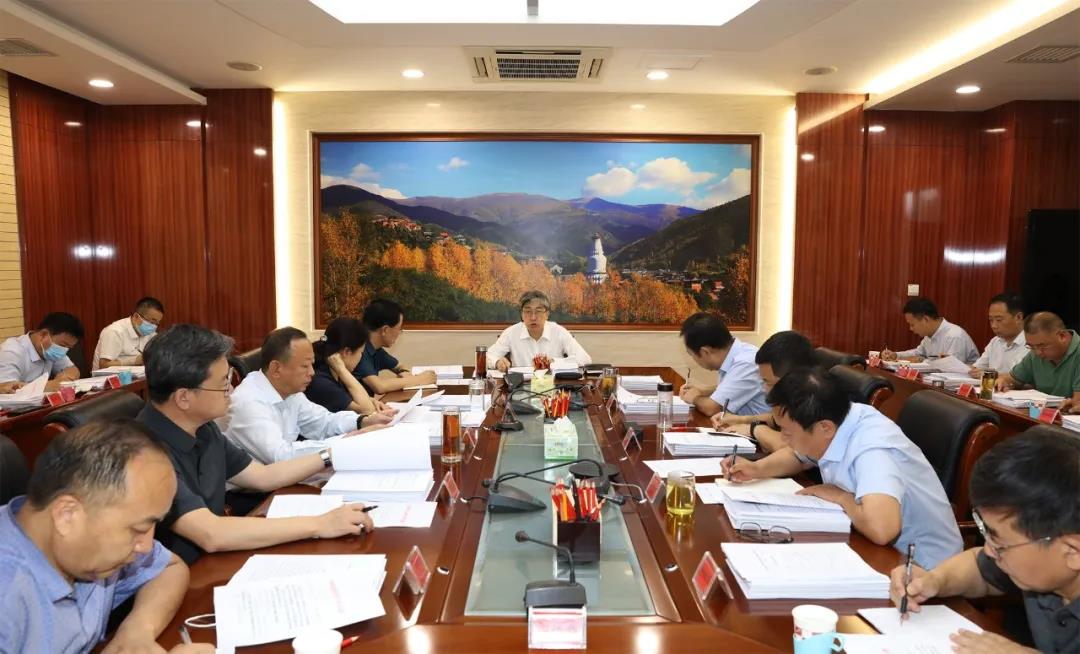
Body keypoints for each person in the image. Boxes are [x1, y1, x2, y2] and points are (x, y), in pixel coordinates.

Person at [137, 324, 375, 564]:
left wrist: (333, 453)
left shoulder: (203, 428)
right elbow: (211, 534)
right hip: (183, 571)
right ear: (183, 397)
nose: (231, 389)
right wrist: (321, 524)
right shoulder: (143, 453)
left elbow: (263, 476)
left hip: (213, 559)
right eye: (223, 383)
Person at [0, 420, 211, 654]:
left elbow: (170, 568)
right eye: (138, 529)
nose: (145, 546)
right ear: (67, 515)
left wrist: (137, 632)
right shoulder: (7, 595)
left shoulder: (87, 540)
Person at [725, 368, 962, 568]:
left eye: (787, 432)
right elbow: (798, 455)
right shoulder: (839, 418)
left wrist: (840, 496)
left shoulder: (872, 449)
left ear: (824, 428)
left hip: (924, 569)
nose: (784, 439)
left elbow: (882, 529)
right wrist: (756, 469)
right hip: (870, 543)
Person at [889, 431, 1079, 654]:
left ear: (1073, 551)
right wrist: (936, 580)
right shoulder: (1043, 565)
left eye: (1000, 543)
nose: (989, 550)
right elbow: (978, 568)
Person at [221, 326, 393, 465]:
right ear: (276, 368)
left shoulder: (290, 391)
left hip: (284, 479)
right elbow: (280, 457)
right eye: (305, 366)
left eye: (312, 365)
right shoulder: (249, 402)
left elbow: (323, 422)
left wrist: (363, 421)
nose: (312, 372)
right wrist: (346, 442)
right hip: (253, 492)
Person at [710, 329, 817, 452]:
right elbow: (774, 420)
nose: (765, 389)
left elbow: (795, 450)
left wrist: (755, 429)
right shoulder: (798, 396)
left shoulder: (818, 403)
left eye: (768, 382)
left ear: (792, 378)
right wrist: (739, 420)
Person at [677, 312, 768, 417]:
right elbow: (730, 387)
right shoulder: (735, 353)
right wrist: (702, 391)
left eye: (691, 354)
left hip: (760, 426)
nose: (693, 359)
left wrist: (694, 398)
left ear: (705, 352)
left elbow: (712, 409)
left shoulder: (746, 363)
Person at [487, 290, 592, 372]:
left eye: (538, 311)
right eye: (528, 311)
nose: (533, 317)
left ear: (547, 314)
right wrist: (497, 362)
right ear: (522, 314)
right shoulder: (511, 333)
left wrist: (555, 362)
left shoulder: (558, 332)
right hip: (519, 388)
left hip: (553, 387)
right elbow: (488, 356)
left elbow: (585, 359)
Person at [995, 312, 1080, 413]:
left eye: (1042, 346)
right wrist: (1004, 381)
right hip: (1040, 414)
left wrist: (1073, 404)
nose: (1037, 352)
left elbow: (1077, 402)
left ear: (1062, 336)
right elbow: (1013, 378)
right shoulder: (1035, 354)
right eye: (1031, 346)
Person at [306, 317, 391, 415]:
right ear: (347, 352)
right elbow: (367, 411)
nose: (361, 357)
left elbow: (348, 396)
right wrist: (342, 370)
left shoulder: (331, 369)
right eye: (361, 352)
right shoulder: (321, 380)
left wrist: (371, 400)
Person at [354, 299, 437, 394]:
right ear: (385, 330)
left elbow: (399, 366)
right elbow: (379, 386)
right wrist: (420, 379)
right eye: (399, 329)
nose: (399, 333)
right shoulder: (358, 349)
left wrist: (404, 373)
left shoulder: (377, 350)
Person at [0, 312, 83, 391]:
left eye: (68, 347)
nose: (64, 350)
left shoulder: (51, 351)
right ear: (43, 335)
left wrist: (65, 378)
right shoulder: (11, 352)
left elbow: (72, 369)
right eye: (63, 345)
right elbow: (6, 389)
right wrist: (44, 387)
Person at [881, 297, 978, 364]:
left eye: (912, 324)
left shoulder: (955, 336)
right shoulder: (929, 335)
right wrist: (895, 355)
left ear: (925, 319)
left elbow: (952, 368)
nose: (911, 328)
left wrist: (921, 361)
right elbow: (918, 353)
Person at [93, 296, 165, 370]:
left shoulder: (151, 334)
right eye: (152, 322)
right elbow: (103, 365)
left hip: (138, 375)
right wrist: (133, 361)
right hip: (109, 376)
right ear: (136, 316)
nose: (153, 326)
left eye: (157, 323)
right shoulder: (115, 331)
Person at [970, 292, 1028, 377]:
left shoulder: (1032, 344)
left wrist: (991, 375)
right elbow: (976, 368)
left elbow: (1025, 379)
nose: (993, 326)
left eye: (999, 320)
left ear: (1018, 317)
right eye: (991, 320)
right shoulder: (995, 341)